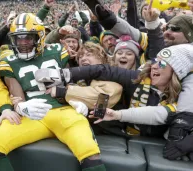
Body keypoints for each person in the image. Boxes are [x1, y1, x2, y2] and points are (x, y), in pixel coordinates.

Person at [0, 13, 106, 171]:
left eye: (28, 38)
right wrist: (21, 107)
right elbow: (16, 95)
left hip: (64, 111)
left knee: (89, 152)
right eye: (18, 38)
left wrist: (77, 98)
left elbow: (71, 80)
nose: (23, 43)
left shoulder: (58, 50)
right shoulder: (9, 60)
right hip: (32, 115)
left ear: (39, 37)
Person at [35, 43, 193, 137]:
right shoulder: (138, 77)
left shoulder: (185, 99)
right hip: (104, 131)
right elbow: (99, 113)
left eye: (163, 64)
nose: (155, 66)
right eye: (155, 61)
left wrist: (65, 93)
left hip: (134, 137)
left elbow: (103, 97)